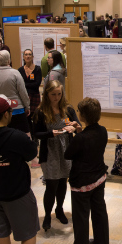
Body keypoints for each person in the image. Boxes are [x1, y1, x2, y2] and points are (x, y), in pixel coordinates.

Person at [0, 94, 44, 244]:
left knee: (1, 233)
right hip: (18, 193)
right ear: (6, 114)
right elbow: (32, 155)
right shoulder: (17, 136)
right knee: (28, 233)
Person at [65, 97, 109, 244]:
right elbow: (89, 140)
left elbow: (68, 154)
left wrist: (73, 134)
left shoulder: (81, 138)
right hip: (99, 177)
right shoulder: (102, 130)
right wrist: (79, 131)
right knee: (99, 211)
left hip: (82, 182)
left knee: (81, 217)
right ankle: (101, 242)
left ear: (82, 115)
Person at [33, 80, 80, 231]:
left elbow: (78, 125)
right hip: (50, 150)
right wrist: (49, 133)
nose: (57, 97)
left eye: (59, 94)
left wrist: (74, 127)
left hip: (65, 150)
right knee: (51, 184)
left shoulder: (67, 109)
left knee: (62, 182)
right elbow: (36, 134)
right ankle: (47, 215)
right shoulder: (41, 111)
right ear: (46, 94)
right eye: (53, 94)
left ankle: (59, 209)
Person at [0, 51, 30, 135]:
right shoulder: (15, 73)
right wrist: (27, 106)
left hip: (1, 111)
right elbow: (23, 92)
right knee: (24, 135)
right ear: (8, 60)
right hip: (17, 108)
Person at [18, 49, 42, 158]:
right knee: (26, 118)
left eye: (29, 54)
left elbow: (37, 84)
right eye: (26, 54)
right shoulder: (19, 70)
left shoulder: (37, 69)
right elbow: (19, 85)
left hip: (34, 97)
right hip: (24, 97)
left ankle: (36, 138)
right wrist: (27, 85)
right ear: (23, 57)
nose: (27, 56)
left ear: (32, 56)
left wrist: (25, 85)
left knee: (35, 118)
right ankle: (29, 139)